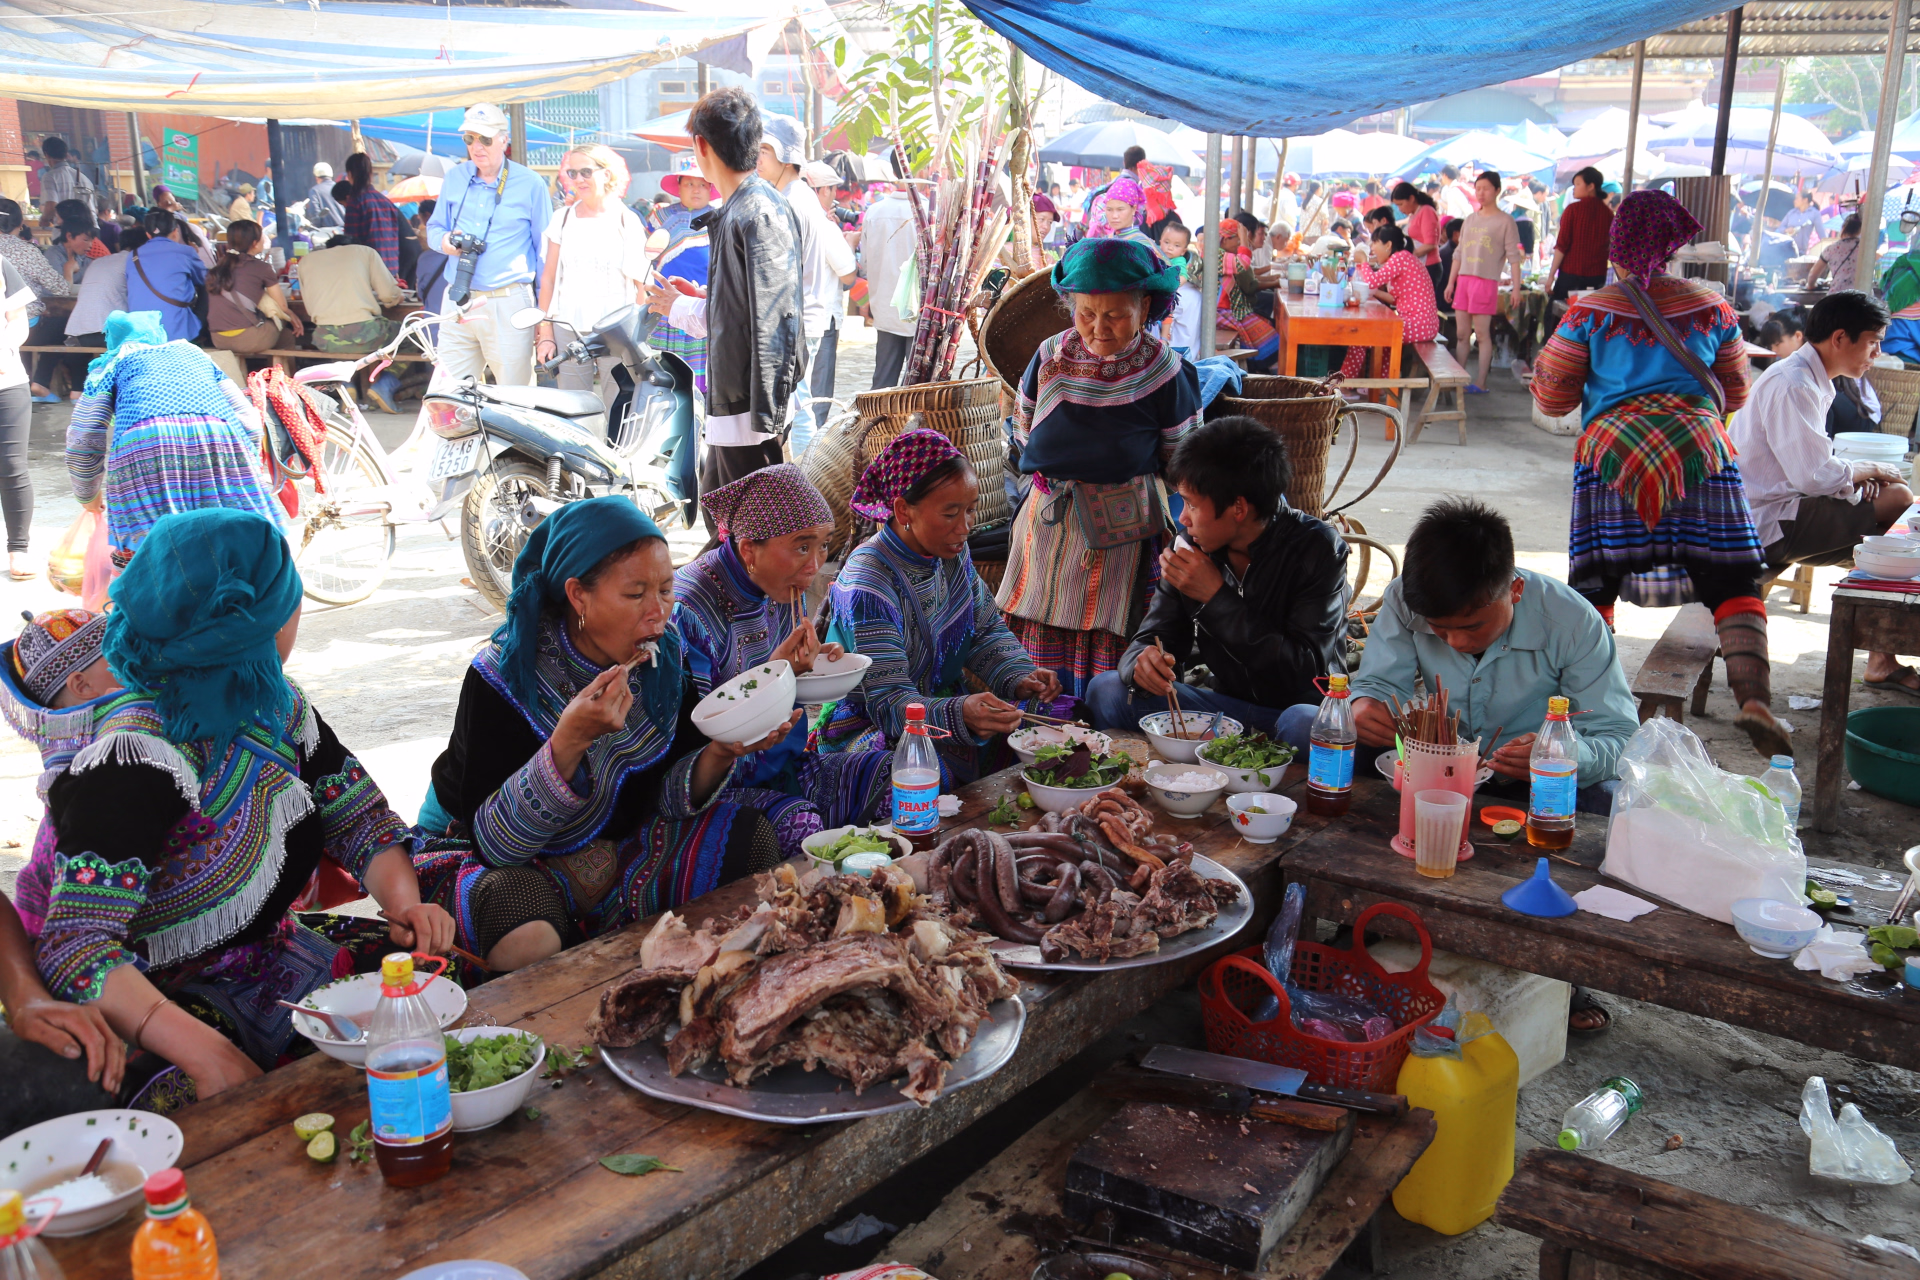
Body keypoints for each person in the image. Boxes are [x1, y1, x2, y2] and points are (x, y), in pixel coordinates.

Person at [29, 510, 453, 1098]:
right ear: (251, 624)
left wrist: (405, 903)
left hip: (271, 960)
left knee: (441, 990)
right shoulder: (134, 760)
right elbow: (76, 946)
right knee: (195, 1102)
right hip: (162, 1000)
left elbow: (358, 818)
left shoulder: (275, 703)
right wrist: (207, 1053)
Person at [413, 497, 784, 971]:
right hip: (510, 863)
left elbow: (667, 798)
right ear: (578, 595)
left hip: (625, 850)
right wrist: (568, 742)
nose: (658, 613)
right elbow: (496, 845)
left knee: (750, 837)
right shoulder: (505, 675)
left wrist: (721, 752)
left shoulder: (663, 659)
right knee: (523, 931)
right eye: (635, 595)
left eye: (667, 589)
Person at [1532, 190, 1785, 756]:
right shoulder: (1713, 306)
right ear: (1675, 245)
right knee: (1731, 582)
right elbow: (1737, 390)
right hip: (1700, 450)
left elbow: (1550, 397)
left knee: (1597, 585)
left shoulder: (1590, 310)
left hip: (1611, 456)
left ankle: (1590, 714)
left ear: (1617, 243)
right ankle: (1755, 701)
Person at [1327, 496, 1637, 810]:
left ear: (1515, 590)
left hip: (1533, 779)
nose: (1456, 642)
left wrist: (1560, 753)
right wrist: (1363, 706)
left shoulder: (1572, 621)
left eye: (1473, 626)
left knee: (1615, 800)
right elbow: (1379, 686)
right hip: (1433, 768)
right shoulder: (1403, 598)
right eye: (1438, 628)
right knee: (1308, 725)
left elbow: (1619, 737)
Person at [997, 239, 1202, 697]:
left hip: (1122, 533)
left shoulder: (1166, 371)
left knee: (1110, 633)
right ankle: (1043, 725)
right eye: (1086, 313)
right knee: (1038, 629)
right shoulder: (1050, 355)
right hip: (1047, 527)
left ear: (1145, 305)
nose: (1098, 327)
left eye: (1114, 315)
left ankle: (1105, 724)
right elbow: (1023, 424)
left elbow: (1183, 459)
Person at [1087, 417, 1348, 751]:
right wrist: (1143, 661)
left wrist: (1215, 597)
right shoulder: (1190, 548)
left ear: (1238, 508)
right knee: (1109, 690)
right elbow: (1155, 635)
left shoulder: (1317, 547)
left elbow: (1304, 670)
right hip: (1224, 715)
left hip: (1292, 715)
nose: (1183, 517)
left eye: (1193, 505)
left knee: (1304, 723)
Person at [674, 466, 893, 855]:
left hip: (783, 765)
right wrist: (774, 676)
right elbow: (696, 742)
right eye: (801, 545)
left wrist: (812, 666)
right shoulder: (688, 610)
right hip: (719, 788)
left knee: (898, 773)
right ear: (748, 551)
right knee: (799, 823)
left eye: (823, 545)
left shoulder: (775, 588)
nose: (814, 564)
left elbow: (785, 681)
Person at [820, 430, 1058, 785]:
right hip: (870, 724)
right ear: (903, 510)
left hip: (940, 704)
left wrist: (1021, 676)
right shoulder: (869, 582)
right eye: (950, 514)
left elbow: (984, 628)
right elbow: (887, 700)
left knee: (1046, 730)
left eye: (970, 510)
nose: (965, 527)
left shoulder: (951, 553)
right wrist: (960, 714)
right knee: (913, 771)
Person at [1731, 291, 1918, 695]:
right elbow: (1814, 476)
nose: (1877, 352)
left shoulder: (1810, 378)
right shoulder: (1794, 383)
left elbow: (1814, 466)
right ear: (1839, 338)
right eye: (1872, 341)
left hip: (1775, 510)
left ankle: (1880, 653)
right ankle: (1881, 656)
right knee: (1900, 501)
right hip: (1761, 524)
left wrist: (1851, 478)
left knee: (1888, 517)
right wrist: (1866, 470)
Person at [645, 87, 803, 505]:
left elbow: (767, 317)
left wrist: (684, 306)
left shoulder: (756, 210)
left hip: (748, 401)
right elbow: (749, 302)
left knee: (747, 525)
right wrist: (702, 296)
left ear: (700, 145)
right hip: (741, 395)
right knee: (730, 515)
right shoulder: (747, 206)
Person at [67, 311, 281, 568]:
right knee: (237, 535)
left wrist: (88, 496)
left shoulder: (110, 366)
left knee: (153, 548)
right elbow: (247, 418)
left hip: (144, 444)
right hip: (218, 435)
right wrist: (248, 465)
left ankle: (159, 595)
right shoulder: (194, 354)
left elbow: (84, 435)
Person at [424, 105, 551, 393]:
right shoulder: (455, 178)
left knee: (515, 398)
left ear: (504, 140)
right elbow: (433, 229)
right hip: (458, 298)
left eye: (485, 139)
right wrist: (445, 243)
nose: (477, 147)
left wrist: (544, 320)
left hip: (507, 300)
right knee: (448, 395)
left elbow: (544, 254)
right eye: (470, 139)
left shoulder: (530, 183)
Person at [757, 118, 854, 459]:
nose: (758, 157)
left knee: (798, 408)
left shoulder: (792, 200)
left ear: (786, 155)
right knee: (798, 404)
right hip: (803, 315)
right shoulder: (795, 196)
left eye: (766, 149)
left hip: (796, 317)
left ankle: (808, 477)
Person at [532, 145, 652, 410]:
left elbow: (641, 285)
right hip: (568, 327)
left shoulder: (626, 219)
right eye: (572, 173)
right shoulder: (562, 218)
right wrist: (545, 331)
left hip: (616, 331)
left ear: (607, 174)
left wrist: (638, 336)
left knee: (620, 410)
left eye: (586, 171)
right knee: (573, 410)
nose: (578, 180)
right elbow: (549, 279)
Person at [1446, 170, 1525, 393]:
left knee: (1482, 335)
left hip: (1486, 282)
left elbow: (1514, 258)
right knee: (1462, 335)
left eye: (1486, 188)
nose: (1481, 193)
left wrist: (1516, 289)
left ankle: (1480, 382)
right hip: (1464, 281)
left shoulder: (1505, 221)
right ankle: (1458, 380)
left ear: (1497, 190)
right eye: (1478, 188)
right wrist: (1451, 282)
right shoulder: (1470, 219)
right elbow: (1458, 253)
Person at [1, 198, 77, 403]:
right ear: (20, 224)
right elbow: (60, 289)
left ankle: (32, 383)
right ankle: (41, 383)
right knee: (66, 325)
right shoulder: (27, 251)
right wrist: (69, 270)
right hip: (24, 327)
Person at [1341, 222, 1439, 378]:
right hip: (1425, 324)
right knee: (1384, 340)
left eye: (1375, 242)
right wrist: (1373, 292)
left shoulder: (1400, 258)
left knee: (1362, 335)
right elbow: (1394, 299)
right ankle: (1381, 385)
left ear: (1388, 245)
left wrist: (1364, 261)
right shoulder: (1404, 259)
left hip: (1420, 324)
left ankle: (1345, 384)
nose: (1372, 247)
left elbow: (1371, 282)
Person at [649, 160, 715, 394]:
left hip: (701, 307)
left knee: (702, 377)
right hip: (665, 307)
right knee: (664, 376)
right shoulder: (660, 218)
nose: (696, 190)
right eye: (689, 184)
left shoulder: (719, 219)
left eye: (702, 184)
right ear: (679, 186)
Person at [799, 159, 856, 416]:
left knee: (799, 389)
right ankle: (814, 448)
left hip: (793, 315)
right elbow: (848, 275)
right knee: (818, 392)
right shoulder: (825, 227)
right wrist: (850, 244)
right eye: (832, 189)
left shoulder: (791, 219)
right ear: (823, 191)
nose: (835, 196)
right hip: (821, 317)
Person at [207, 220, 302, 357]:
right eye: (262, 236)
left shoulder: (217, 269)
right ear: (254, 243)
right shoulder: (261, 268)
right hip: (248, 338)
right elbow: (282, 306)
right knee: (286, 335)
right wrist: (292, 316)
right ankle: (282, 376)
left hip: (218, 338)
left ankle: (247, 372)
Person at [862, 179, 917, 389]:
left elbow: (865, 262)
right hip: (921, 313)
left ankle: (878, 422)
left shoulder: (875, 212)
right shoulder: (934, 209)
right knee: (917, 387)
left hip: (885, 307)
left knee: (883, 382)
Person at [124, 210, 206, 343]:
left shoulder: (133, 256)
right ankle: (201, 337)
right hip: (175, 331)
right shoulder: (186, 252)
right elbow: (206, 280)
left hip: (140, 332)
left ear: (148, 235)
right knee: (207, 290)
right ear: (175, 231)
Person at [0, 258, 32, 580]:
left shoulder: (1, 265)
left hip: (7, 381)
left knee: (11, 466)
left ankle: (18, 550)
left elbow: (18, 321)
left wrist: (5, 349)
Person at [341, 153, 409, 285]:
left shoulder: (356, 202)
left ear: (349, 174)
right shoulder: (385, 201)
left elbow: (350, 242)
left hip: (369, 272)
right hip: (391, 269)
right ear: (370, 174)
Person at [1549, 167, 1613, 301]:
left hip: (1571, 277)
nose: (1574, 188)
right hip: (1597, 277)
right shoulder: (1608, 213)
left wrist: (1550, 277)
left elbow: (1561, 246)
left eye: (1578, 184)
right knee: (1589, 317)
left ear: (1591, 186)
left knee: (1562, 316)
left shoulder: (1573, 210)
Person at [36, 137, 95, 223]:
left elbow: (51, 207)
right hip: (89, 228)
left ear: (46, 155)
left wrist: (44, 219)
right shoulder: (84, 178)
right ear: (66, 155)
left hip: (68, 230)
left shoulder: (50, 177)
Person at [1807, 213, 1863, 293]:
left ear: (1843, 228)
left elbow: (1813, 275)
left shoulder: (1831, 249)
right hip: (1862, 297)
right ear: (1861, 230)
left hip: (1837, 296)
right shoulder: (1867, 248)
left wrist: (1811, 285)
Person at [1780, 189, 1825, 256]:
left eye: (1797, 198)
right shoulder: (1791, 213)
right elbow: (1781, 227)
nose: (1794, 201)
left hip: (1802, 252)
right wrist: (1786, 230)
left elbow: (1821, 234)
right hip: (1787, 249)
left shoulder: (1814, 213)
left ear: (1805, 200)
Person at [304, 161, 343, 230]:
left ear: (316, 178)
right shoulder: (340, 187)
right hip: (345, 230)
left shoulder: (315, 191)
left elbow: (315, 215)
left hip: (327, 234)